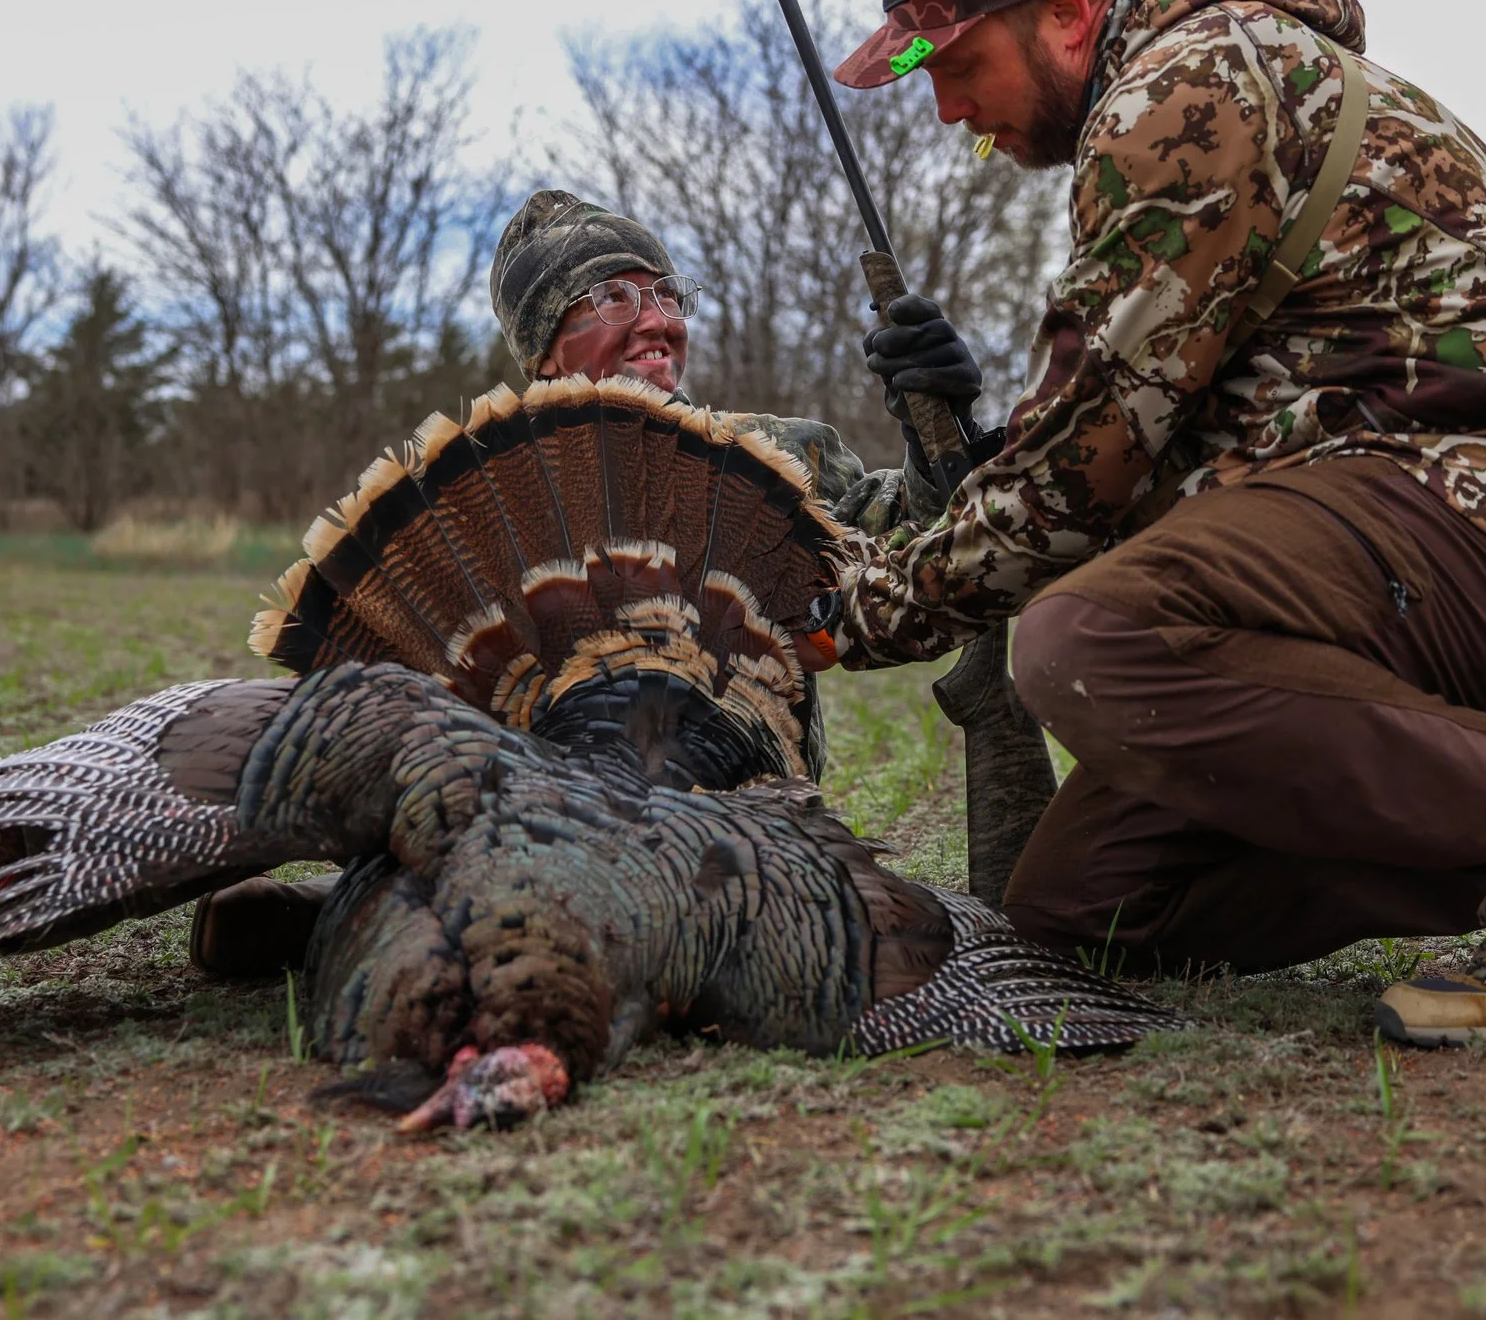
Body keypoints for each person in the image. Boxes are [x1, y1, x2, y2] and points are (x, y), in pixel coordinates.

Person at [826, 0, 1486, 1046]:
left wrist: (860, 611)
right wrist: (998, 438)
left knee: (1087, 644)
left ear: (1063, 14)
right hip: (1420, 517)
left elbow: (1084, 467)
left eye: (957, 64)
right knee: (1085, 906)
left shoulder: (1183, 93)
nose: (950, 108)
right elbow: (1139, 433)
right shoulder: (1195, 78)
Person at [187, 189, 930, 975]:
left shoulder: (776, 450)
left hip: (733, 786)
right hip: (530, 803)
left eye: (667, 293)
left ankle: (369, 917)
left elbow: (917, 543)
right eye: (613, 296)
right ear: (546, 348)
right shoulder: (485, 487)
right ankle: (388, 903)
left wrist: (931, 428)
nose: (659, 319)